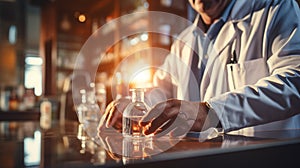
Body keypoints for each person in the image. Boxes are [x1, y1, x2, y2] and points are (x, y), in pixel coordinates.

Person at [99, 0, 300, 136]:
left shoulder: (276, 9)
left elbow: (294, 82)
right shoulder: (184, 40)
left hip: (265, 157)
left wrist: (212, 113)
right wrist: (137, 104)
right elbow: (163, 90)